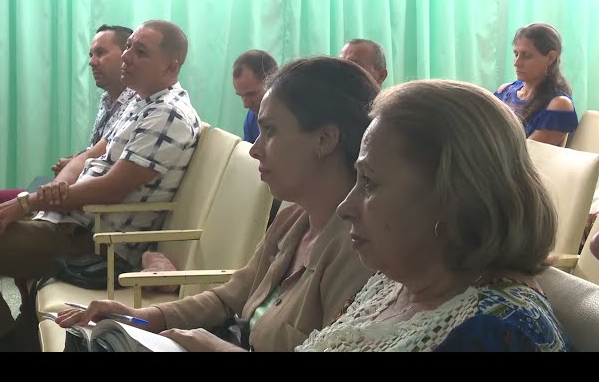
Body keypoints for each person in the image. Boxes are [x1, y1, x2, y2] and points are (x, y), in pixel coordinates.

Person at [56, 56, 378, 352]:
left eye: (270, 131)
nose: (256, 150)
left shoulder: (359, 251)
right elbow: (227, 298)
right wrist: (142, 317)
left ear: (325, 140)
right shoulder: (295, 219)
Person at [0, 19, 200, 351]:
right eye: (129, 46)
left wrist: (29, 203)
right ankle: (10, 336)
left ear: (170, 66)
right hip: (66, 220)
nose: (128, 56)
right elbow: (87, 155)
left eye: (139, 51)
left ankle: (8, 339)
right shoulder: (138, 103)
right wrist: (51, 191)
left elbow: (111, 190)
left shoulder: (169, 114)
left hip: (92, 242)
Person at [296, 79, 573, 352]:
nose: (345, 207)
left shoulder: (496, 333)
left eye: (369, 182)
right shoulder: (394, 284)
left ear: (454, 196)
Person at [0, 24, 137, 206]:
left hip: (87, 196)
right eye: (91, 55)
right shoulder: (107, 99)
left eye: (101, 53)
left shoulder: (137, 104)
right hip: (77, 182)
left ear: (125, 56)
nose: (92, 62)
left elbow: (108, 158)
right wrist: (73, 160)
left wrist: (72, 169)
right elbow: (99, 149)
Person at [494, 22, 578, 147]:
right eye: (516, 54)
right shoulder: (505, 90)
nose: (516, 63)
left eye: (526, 56)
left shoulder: (559, 104)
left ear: (550, 58)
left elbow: (525, 156)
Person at [232, 49, 278, 143]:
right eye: (241, 96)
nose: (246, 105)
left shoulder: (294, 121)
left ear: (274, 83)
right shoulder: (252, 118)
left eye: (251, 94)